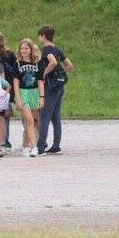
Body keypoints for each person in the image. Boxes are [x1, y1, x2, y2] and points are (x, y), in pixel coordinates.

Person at [37, 25, 73, 155]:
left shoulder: (46, 49)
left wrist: (44, 73)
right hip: (59, 86)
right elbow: (69, 65)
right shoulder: (57, 49)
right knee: (55, 116)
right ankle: (56, 144)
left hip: (50, 87)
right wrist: (61, 73)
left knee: (45, 115)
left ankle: (40, 146)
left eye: (39, 35)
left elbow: (52, 62)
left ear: (43, 36)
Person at [0, 32, 18, 151]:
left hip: (6, 87)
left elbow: (15, 70)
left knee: (4, 115)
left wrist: (2, 62)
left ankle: (5, 142)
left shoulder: (9, 54)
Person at [14, 39, 42, 157]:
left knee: (33, 121)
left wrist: (42, 96)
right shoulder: (18, 63)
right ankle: (34, 147)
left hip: (34, 92)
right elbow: (16, 82)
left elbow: (40, 81)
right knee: (29, 120)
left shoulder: (37, 63)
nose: (24, 50)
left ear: (31, 50)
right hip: (23, 92)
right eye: (22, 48)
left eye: (26, 48)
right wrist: (18, 98)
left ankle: (25, 146)